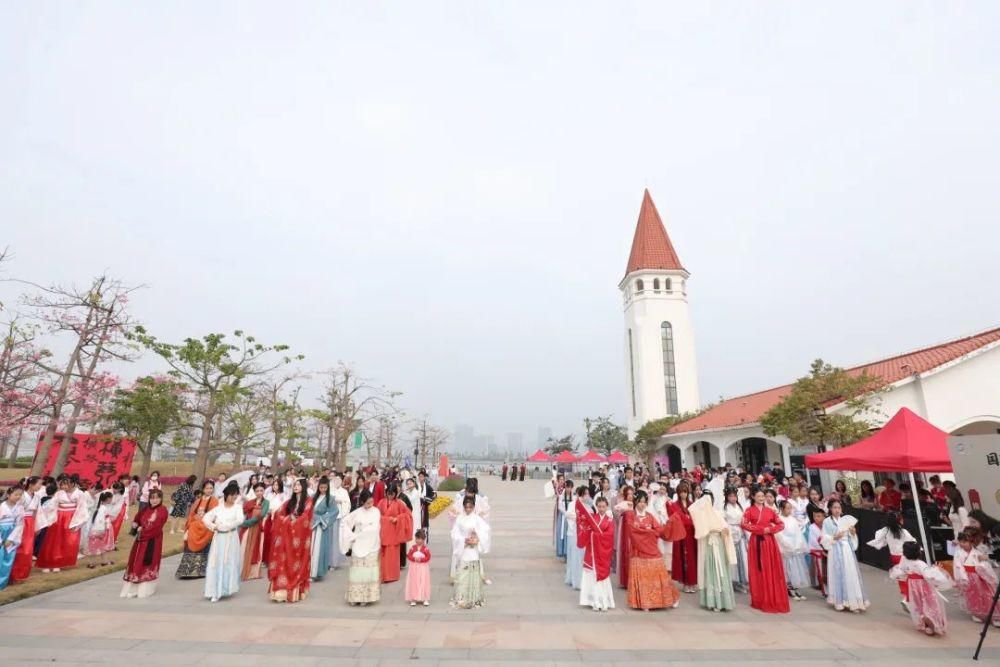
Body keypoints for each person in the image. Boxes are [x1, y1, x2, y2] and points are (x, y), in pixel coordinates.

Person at [624, 490, 683, 611]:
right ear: (635, 502)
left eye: (644, 502)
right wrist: (649, 531)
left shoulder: (650, 516)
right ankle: (645, 602)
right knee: (643, 579)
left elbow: (659, 530)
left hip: (652, 550)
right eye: (640, 502)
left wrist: (669, 523)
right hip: (638, 551)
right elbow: (633, 532)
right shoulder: (630, 515)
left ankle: (672, 598)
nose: (642, 504)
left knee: (661, 576)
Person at [742, 489, 790, 613]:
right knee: (758, 569)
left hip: (769, 542)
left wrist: (770, 530)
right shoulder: (749, 510)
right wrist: (759, 530)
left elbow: (781, 524)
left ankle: (773, 596)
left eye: (763, 496)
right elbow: (743, 524)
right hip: (756, 541)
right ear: (753, 496)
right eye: (758, 496)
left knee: (770, 568)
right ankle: (760, 598)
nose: (762, 498)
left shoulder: (770, 511)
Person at [890, 541, 952, 636]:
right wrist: (936, 569)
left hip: (912, 586)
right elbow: (928, 575)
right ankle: (931, 623)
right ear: (919, 552)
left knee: (917, 604)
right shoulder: (920, 564)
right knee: (929, 604)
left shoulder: (905, 561)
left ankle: (924, 622)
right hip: (923, 586)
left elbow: (900, 571)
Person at [268, 478, 313, 603]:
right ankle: (280, 592)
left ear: (304, 487)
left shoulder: (308, 501)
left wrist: (294, 521)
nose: (296, 486)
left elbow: (305, 517)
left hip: (299, 537)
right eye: (295, 485)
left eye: (299, 484)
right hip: (286, 535)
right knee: (283, 560)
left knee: (296, 562)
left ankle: (295, 591)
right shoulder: (289, 502)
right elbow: (279, 513)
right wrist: (287, 519)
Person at [690, 494, 736, 612]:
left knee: (721, 572)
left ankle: (724, 601)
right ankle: (712, 601)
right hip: (709, 547)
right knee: (711, 570)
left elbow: (725, 527)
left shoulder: (717, 513)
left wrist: (725, 531)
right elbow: (700, 532)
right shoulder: (701, 516)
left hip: (719, 545)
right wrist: (710, 530)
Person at [121, 488, 169, 598]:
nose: (154, 500)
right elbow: (137, 518)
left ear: (161, 499)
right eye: (152, 498)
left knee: (147, 562)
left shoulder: (162, 510)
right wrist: (136, 525)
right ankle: (133, 585)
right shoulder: (145, 509)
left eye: (157, 498)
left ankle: (145, 588)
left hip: (152, 540)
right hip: (140, 541)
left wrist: (142, 530)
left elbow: (157, 527)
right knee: (136, 561)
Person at [823, 500, 868, 612]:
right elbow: (824, 537)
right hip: (834, 550)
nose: (837, 510)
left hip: (847, 550)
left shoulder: (847, 522)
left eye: (839, 507)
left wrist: (853, 533)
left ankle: (853, 601)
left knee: (850, 573)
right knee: (837, 573)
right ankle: (840, 601)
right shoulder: (827, 522)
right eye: (834, 507)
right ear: (830, 509)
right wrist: (834, 537)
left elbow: (852, 539)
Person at [36, 474, 89, 573]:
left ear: (73, 484)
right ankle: (49, 562)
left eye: (67, 484)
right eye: (62, 485)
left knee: (68, 541)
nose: (64, 487)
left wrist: (77, 523)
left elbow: (82, 508)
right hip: (58, 518)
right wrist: (48, 517)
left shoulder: (80, 494)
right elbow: (52, 505)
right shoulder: (59, 493)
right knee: (53, 541)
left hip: (72, 518)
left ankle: (61, 562)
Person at [203, 483, 245, 603]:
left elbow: (240, 519)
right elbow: (206, 518)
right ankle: (214, 590)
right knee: (215, 562)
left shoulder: (237, 507)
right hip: (218, 539)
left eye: (236, 496)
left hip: (230, 538)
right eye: (232, 495)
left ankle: (226, 588)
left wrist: (226, 526)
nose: (234, 498)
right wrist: (214, 526)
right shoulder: (219, 508)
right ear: (226, 495)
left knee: (228, 561)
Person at [341, 490, 382, 605]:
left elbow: (374, 528)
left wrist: (361, 533)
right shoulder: (357, 512)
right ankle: (355, 597)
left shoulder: (376, 512)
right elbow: (345, 522)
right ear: (362, 502)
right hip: (358, 544)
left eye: (371, 502)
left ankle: (367, 597)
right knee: (356, 570)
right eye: (367, 503)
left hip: (371, 544)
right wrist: (351, 536)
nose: (370, 505)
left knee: (368, 571)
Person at [867, 513, 916, 607]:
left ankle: (907, 598)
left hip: (894, 557)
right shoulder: (904, 532)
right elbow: (912, 542)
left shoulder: (886, 532)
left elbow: (881, 541)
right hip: (903, 558)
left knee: (902, 578)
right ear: (900, 520)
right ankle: (908, 599)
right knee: (909, 578)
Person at [450, 495, 491, 609]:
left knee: (473, 574)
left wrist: (477, 540)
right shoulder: (459, 518)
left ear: (473, 507)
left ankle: (474, 597)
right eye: (466, 507)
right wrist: (463, 540)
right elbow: (454, 533)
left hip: (473, 549)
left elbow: (485, 530)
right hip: (464, 548)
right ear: (463, 506)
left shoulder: (477, 518)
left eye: (470, 507)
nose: (468, 509)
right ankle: (461, 598)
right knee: (463, 574)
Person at [576, 494, 616, 611]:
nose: (601, 509)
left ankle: (603, 601)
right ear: (596, 507)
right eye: (599, 506)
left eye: (603, 506)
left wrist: (596, 534)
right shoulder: (593, 518)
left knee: (601, 577)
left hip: (603, 553)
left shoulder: (610, 520)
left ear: (607, 506)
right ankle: (592, 600)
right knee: (591, 575)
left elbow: (609, 536)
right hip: (592, 552)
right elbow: (587, 529)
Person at [953, 529, 1000, 626]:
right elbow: (958, 566)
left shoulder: (978, 552)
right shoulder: (958, 553)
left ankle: (995, 615)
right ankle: (977, 614)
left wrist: (984, 570)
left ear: (972, 542)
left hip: (980, 576)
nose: (962, 544)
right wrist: (963, 578)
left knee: (987, 595)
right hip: (968, 576)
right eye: (960, 541)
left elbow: (985, 564)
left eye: (965, 542)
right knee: (973, 596)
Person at [176, 480, 218, 579]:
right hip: (196, 526)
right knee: (191, 535)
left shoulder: (214, 500)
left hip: (206, 527)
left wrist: (203, 520)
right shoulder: (197, 501)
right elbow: (191, 514)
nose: (209, 490)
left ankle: (200, 571)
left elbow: (214, 515)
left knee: (204, 540)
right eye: (207, 488)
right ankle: (186, 570)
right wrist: (193, 521)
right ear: (203, 489)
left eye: (211, 488)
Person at [375, 484, 412, 584]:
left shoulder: (399, 503)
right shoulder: (381, 502)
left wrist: (397, 518)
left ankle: (392, 575)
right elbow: (376, 514)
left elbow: (407, 514)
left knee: (392, 554)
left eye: (392, 494)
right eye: (388, 494)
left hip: (393, 532)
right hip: (383, 531)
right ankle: (382, 575)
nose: (390, 496)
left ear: (395, 494)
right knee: (383, 554)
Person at [776, 500, 809, 601]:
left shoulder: (793, 520)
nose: (790, 510)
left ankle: (796, 588)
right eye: (788, 508)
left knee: (796, 569)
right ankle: (789, 588)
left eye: (790, 508)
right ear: (782, 509)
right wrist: (787, 545)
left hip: (794, 546)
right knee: (787, 569)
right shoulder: (778, 519)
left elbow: (798, 533)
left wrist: (797, 544)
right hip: (785, 548)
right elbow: (779, 534)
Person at [669, 481, 698, 593]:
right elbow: (674, 518)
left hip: (691, 534)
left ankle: (693, 581)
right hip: (681, 534)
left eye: (685, 492)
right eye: (681, 492)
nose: (683, 494)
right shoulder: (675, 505)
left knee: (692, 558)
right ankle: (686, 583)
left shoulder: (692, 504)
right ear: (678, 493)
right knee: (684, 557)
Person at [11, 477, 41, 583]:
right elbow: (15, 509)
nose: (40, 486)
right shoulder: (22, 495)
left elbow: (37, 512)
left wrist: (37, 526)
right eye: (38, 484)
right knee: (19, 547)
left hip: (30, 523)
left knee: (28, 549)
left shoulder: (37, 496)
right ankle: (14, 573)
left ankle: (22, 573)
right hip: (20, 522)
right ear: (31, 484)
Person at [309, 476, 338, 582]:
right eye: (321, 487)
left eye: (325, 488)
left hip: (321, 525)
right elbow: (308, 509)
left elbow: (334, 512)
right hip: (311, 524)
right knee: (309, 548)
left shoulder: (330, 499)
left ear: (328, 487)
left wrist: (322, 519)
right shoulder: (312, 497)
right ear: (318, 487)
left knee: (317, 549)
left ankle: (315, 572)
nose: (323, 490)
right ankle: (307, 571)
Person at [239, 482, 269, 581]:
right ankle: (242, 570)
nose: (259, 492)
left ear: (264, 491)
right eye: (257, 491)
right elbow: (242, 511)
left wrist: (245, 523)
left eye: (261, 490)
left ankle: (253, 573)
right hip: (247, 529)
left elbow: (261, 515)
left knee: (256, 549)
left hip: (258, 528)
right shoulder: (250, 502)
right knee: (244, 547)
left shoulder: (266, 502)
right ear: (254, 491)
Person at [722, 488, 748, 592]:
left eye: (734, 496)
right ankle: (732, 581)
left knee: (741, 558)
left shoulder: (739, 506)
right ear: (727, 497)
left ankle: (741, 581)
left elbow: (743, 519)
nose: (733, 498)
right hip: (730, 532)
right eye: (730, 496)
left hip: (740, 532)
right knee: (732, 558)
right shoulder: (724, 507)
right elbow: (723, 521)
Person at [0, 486, 25, 590]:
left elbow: (20, 524)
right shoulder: (1, 506)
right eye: (15, 494)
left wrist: (11, 539)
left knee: (8, 559)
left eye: (20, 495)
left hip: (12, 533)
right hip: (1, 532)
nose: (18, 497)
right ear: (9, 495)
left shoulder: (20, 508)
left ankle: (2, 582)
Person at [564, 486, 588, 591]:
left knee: (582, 558)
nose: (587, 496)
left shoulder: (587, 505)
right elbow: (568, 514)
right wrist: (579, 518)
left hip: (583, 534)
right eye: (585, 494)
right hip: (574, 534)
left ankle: (581, 579)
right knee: (574, 558)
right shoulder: (572, 504)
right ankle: (574, 579)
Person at [83, 491, 115, 568]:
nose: (111, 500)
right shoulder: (104, 509)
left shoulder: (98, 507)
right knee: (95, 547)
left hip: (94, 530)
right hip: (98, 530)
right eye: (111, 498)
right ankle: (91, 563)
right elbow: (103, 520)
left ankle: (104, 561)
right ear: (108, 499)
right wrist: (104, 530)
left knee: (100, 546)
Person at [329, 473, 352, 570]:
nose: (337, 482)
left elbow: (348, 503)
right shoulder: (330, 490)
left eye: (339, 480)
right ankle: (328, 561)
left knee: (337, 540)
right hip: (330, 517)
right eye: (335, 480)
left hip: (339, 517)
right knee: (329, 540)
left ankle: (335, 562)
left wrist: (341, 501)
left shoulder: (344, 492)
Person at [614, 485, 635, 587]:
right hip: (625, 531)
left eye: (632, 494)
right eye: (628, 494)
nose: (630, 496)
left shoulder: (635, 504)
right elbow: (616, 510)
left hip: (634, 531)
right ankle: (625, 579)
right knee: (626, 551)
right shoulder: (623, 504)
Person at [405, 529, 432, 607]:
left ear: (423, 540)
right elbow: (409, 556)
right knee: (414, 581)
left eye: (420, 539)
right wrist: (414, 559)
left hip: (423, 568)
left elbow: (428, 557)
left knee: (423, 581)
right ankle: (413, 598)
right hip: (414, 568)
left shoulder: (425, 549)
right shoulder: (413, 548)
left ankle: (425, 597)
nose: (418, 540)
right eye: (417, 538)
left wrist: (421, 559)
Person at [807, 509, 828, 597]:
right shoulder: (812, 527)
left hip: (828, 550)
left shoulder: (827, 526)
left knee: (829, 571)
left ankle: (831, 588)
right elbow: (813, 541)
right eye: (815, 516)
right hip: (818, 552)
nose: (816, 518)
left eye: (819, 516)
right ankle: (825, 590)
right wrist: (822, 550)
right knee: (820, 571)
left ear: (824, 517)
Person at [555, 481, 575, 561]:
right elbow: (560, 507)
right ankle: (562, 551)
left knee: (569, 535)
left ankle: (568, 553)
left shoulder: (573, 496)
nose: (568, 489)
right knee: (562, 534)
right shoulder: (561, 496)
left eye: (570, 487)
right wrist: (565, 513)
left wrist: (570, 514)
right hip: (563, 517)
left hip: (571, 517)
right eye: (567, 487)